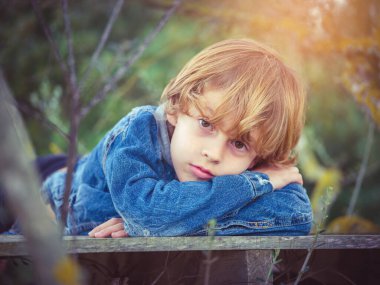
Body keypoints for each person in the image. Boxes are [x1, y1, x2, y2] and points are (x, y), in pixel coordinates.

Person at [5, 38, 313, 237]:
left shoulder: (257, 168)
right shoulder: (138, 130)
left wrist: (174, 223)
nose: (214, 153)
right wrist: (254, 186)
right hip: (57, 200)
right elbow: (149, 215)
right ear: (177, 109)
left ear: (258, 158)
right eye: (206, 123)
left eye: (240, 144)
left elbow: (295, 214)